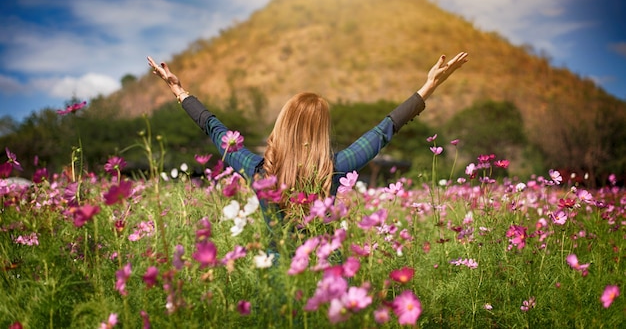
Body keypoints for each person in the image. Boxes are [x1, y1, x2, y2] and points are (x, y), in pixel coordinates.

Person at [147, 52, 468, 214]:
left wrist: (179, 91)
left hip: (278, 292)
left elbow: (214, 129)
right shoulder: (337, 168)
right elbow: (384, 130)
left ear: (281, 125)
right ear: (321, 131)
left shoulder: (258, 171)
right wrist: (428, 87)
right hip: (327, 291)